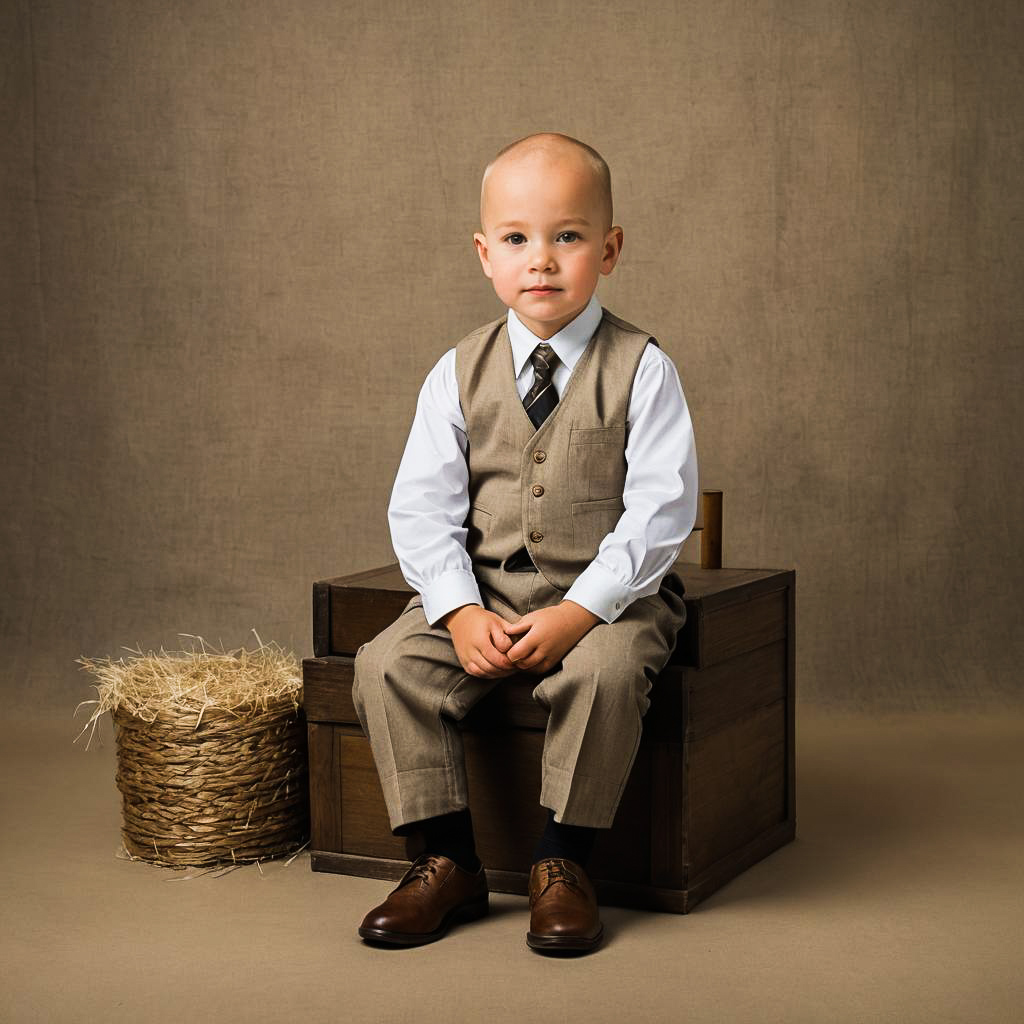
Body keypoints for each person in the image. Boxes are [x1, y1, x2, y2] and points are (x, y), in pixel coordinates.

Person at [351, 132, 698, 954]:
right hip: (485, 593)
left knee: (608, 676)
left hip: (609, 601)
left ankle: (562, 860)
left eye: (567, 237)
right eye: (516, 239)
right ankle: (446, 859)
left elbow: (660, 512)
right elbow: (421, 508)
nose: (540, 260)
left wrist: (582, 613)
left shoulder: (642, 368)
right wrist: (459, 612)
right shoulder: (456, 371)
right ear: (484, 254)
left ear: (608, 250)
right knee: (384, 664)